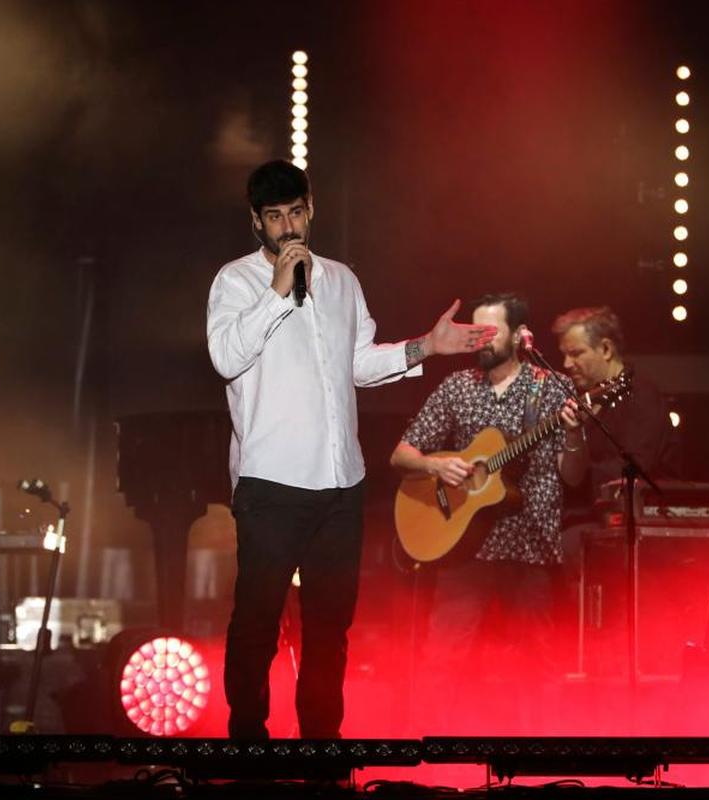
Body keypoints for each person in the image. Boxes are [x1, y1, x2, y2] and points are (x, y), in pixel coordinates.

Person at [206, 160, 495, 739]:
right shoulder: (235, 282)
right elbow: (225, 358)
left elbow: (359, 364)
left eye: (295, 212)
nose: (287, 226)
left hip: (340, 484)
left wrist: (426, 347)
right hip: (271, 483)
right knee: (258, 622)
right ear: (256, 224)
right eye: (273, 217)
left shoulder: (341, 280)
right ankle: (246, 747)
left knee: (330, 627)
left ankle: (322, 748)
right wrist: (278, 293)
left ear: (311, 209)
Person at [389, 293, 586, 726]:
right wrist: (435, 464)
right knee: (443, 660)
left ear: (519, 336)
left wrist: (573, 437)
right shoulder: (456, 387)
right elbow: (400, 455)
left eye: (490, 331)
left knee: (538, 666)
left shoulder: (550, 387)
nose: (480, 340)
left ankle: (537, 765)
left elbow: (572, 477)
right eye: (475, 331)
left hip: (531, 544)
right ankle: (430, 757)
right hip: (463, 549)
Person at [550, 305, 679, 516]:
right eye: (564, 355)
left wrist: (559, 477)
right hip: (590, 514)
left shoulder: (641, 393)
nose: (566, 363)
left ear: (606, 349)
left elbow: (637, 465)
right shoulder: (584, 400)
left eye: (575, 353)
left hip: (640, 518)